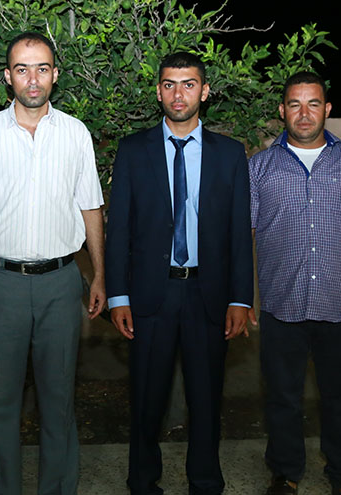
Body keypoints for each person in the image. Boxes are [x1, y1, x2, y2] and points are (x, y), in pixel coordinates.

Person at [0, 32, 105, 495]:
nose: (33, 78)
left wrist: (99, 275)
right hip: (0, 283)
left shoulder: (75, 133)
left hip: (61, 282)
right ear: (8, 76)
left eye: (42, 68)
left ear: (55, 74)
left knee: (58, 402)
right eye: (22, 69)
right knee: (0, 401)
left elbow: (91, 208)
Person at [105, 52, 254, 495]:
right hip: (151, 296)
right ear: (158, 91)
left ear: (204, 92)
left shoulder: (230, 154)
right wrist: (118, 296)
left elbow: (239, 232)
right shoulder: (134, 150)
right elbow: (119, 229)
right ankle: (142, 482)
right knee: (146, 400)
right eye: (169, 84)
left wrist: (240, 298)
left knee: (206, 399)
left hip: (208, 295)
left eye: (189, 84)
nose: (178, 93)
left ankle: (205, 482)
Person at [249, 71, 341, 495]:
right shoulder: (259, 168)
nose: (304, 113)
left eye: (313, 104)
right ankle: (285, 474)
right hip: (282, 305)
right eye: (295, 104)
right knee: (282, 399)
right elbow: (242, 236)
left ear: (327, 109)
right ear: (282, 110)